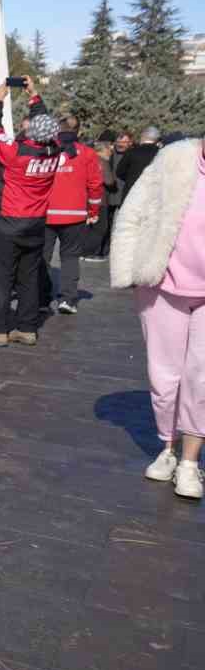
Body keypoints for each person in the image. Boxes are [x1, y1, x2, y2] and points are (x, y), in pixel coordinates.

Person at [110, 135, 205, 501]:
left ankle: (190, 462)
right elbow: (133, 213)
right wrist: (127, 267)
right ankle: (167, 447)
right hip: (162, 284)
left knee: (200, 377)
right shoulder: (173, 159)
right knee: (165, 377)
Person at [0, 77, 59, 348]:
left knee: (1, 277)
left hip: (8, 223)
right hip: (36, 224)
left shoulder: (15, 153)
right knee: (29, 277)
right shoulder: (55, 153)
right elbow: (44, 123)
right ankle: (26, 328)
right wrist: (34, 96)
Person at [39, 117, 103, 314]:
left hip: (46, 212)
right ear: (79, 131)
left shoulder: (46, 150)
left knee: (42, 257)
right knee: (70, 257)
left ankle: (41, 299)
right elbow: (95, 184)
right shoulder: (88, 153)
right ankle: (68, 299)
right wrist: (93, 210)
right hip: (74, 214)